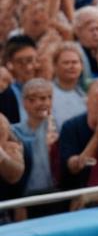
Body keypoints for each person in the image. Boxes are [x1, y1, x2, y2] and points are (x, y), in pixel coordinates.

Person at [13, 78, 65, 216]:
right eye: (33, 99)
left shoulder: (60, 129)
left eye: (46, 98)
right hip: (27, 198)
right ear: (25, 103)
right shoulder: (15, 132)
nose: (42, 103)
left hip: (56, 195)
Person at [1, 36, 38, 124]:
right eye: (20, 62)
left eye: (30, 60)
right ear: (10, 64)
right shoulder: (6, 94)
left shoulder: (47, 87)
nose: (28, 67)